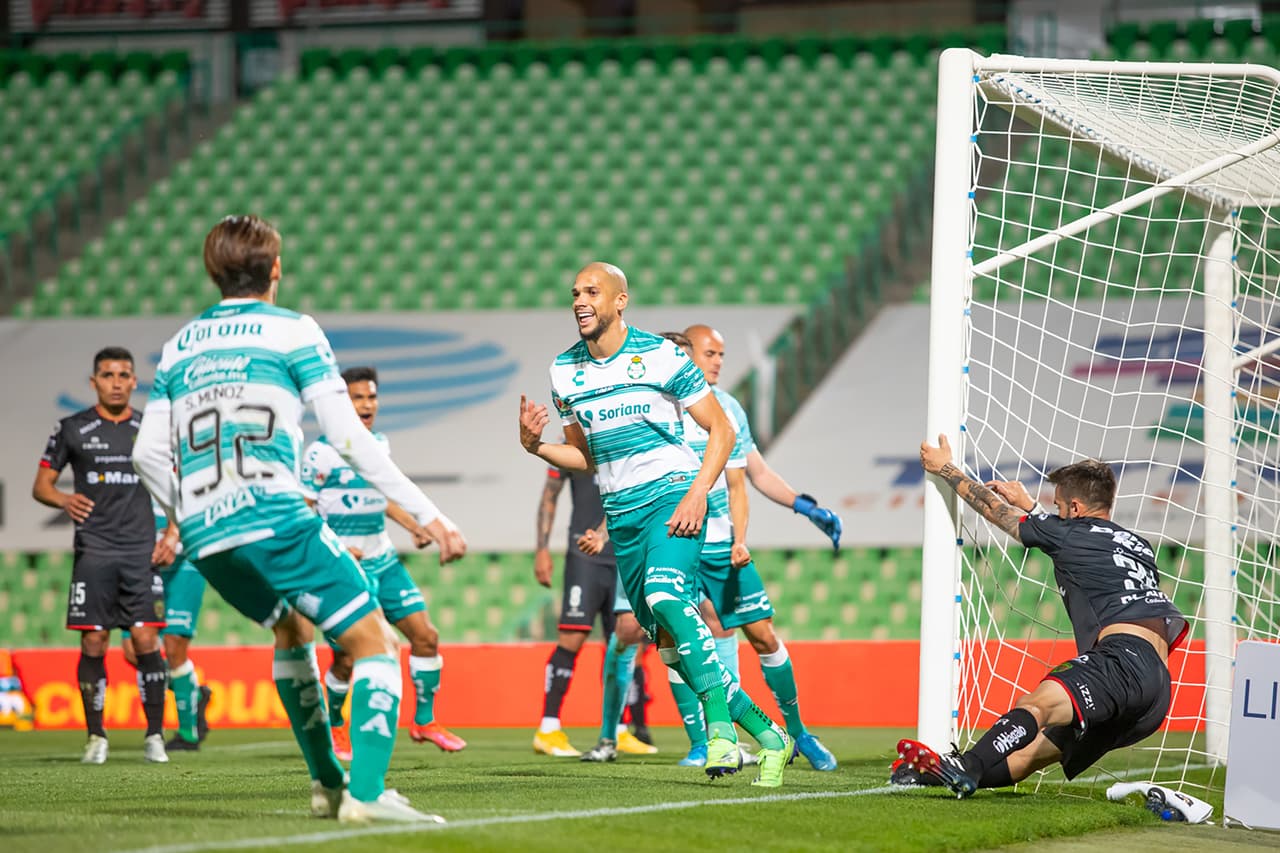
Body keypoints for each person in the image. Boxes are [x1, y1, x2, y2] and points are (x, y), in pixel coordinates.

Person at [132, 215, 467, 823]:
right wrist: (431, 515)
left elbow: (146, 454)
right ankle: (368, 793)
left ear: (212, 272)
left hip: (205, 533)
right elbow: (349, 438)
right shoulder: (293, 331)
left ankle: (328, 784)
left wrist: (183, 515)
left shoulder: (180, 346)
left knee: (291, 630)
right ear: (276, 269)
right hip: (273, 514)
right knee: (376, 642)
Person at [518, 261, 792, 787]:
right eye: (575, 293)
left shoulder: (662, 355)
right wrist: (537, 448)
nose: (580, 301)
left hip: (672, 497)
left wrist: (696, 493)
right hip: (622, 518)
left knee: (668, 598)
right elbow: (585, 456)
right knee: (672, 650)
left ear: (620, 301)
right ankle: (770, 735)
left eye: (592, 292)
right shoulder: (564, 371)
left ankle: (720, 734)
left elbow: (722, 430)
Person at [896, 438, 1187, 796]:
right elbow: (1081, 538)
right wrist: (1033, 508)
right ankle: (935, 776)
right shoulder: (1139, 545)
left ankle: (967, 764)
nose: (1057, 513)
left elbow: (993, 510)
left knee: (1036, 706)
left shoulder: (1067, 534)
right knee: (1026, 757)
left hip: (1120, 661)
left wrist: (945, 468)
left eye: (1060, 506)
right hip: (1156, 688)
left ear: (1076, 507)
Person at [665, 326, 839, 772]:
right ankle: (704, 741)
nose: (718, 361)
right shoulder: (662, 408)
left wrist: (803, 506)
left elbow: (750, 477)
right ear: (685, 354)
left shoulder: (727, 408)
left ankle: (799, 732)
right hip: (678, 541)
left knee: (761, 634)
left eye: (722, 354)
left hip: (722, 544)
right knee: (683, 636)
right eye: (710, 353)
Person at [302, 366, 467, 760]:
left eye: (372, 397)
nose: (367, 405)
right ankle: (335, 725)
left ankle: (424, 721)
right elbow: (304, 513)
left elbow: (383, 495)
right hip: (343, 569)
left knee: (426, 637)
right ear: (342, 405)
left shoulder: (378, 444)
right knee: (346, 657)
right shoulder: (319, 453)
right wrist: (337, 548)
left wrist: (414, 525)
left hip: (383, 560)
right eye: (357, 398)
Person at [33, 347, 170, 764]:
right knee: (94, 640)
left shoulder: (150, 430)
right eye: (108, 375)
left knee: (145, 638)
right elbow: (42, 485)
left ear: (134, 381)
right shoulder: (72, 428)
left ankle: (155, 735)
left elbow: (175, 485)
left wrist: (174, 532)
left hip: (141, 550)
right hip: (94, 549)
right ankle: (96, 736)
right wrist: (63, 499)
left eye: (124, 375)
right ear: (94, 382)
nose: (116, 382)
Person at [532, 463, 655, 758]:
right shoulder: (572, 446)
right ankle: (548, 728)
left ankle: (618, 729)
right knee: (572, 637)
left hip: (624, 554)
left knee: (624, 640)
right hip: (584, 555)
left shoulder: (627, 442)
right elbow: (550, 495)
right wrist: (542, 549)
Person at [149, 498, 213, 751]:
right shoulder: (128, 477)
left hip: (183, 561)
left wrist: (173, 533)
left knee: (174, 644)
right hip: (146, 564)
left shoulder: (178, 474)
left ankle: (188, 734)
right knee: (135, 651)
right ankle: (194, 691)